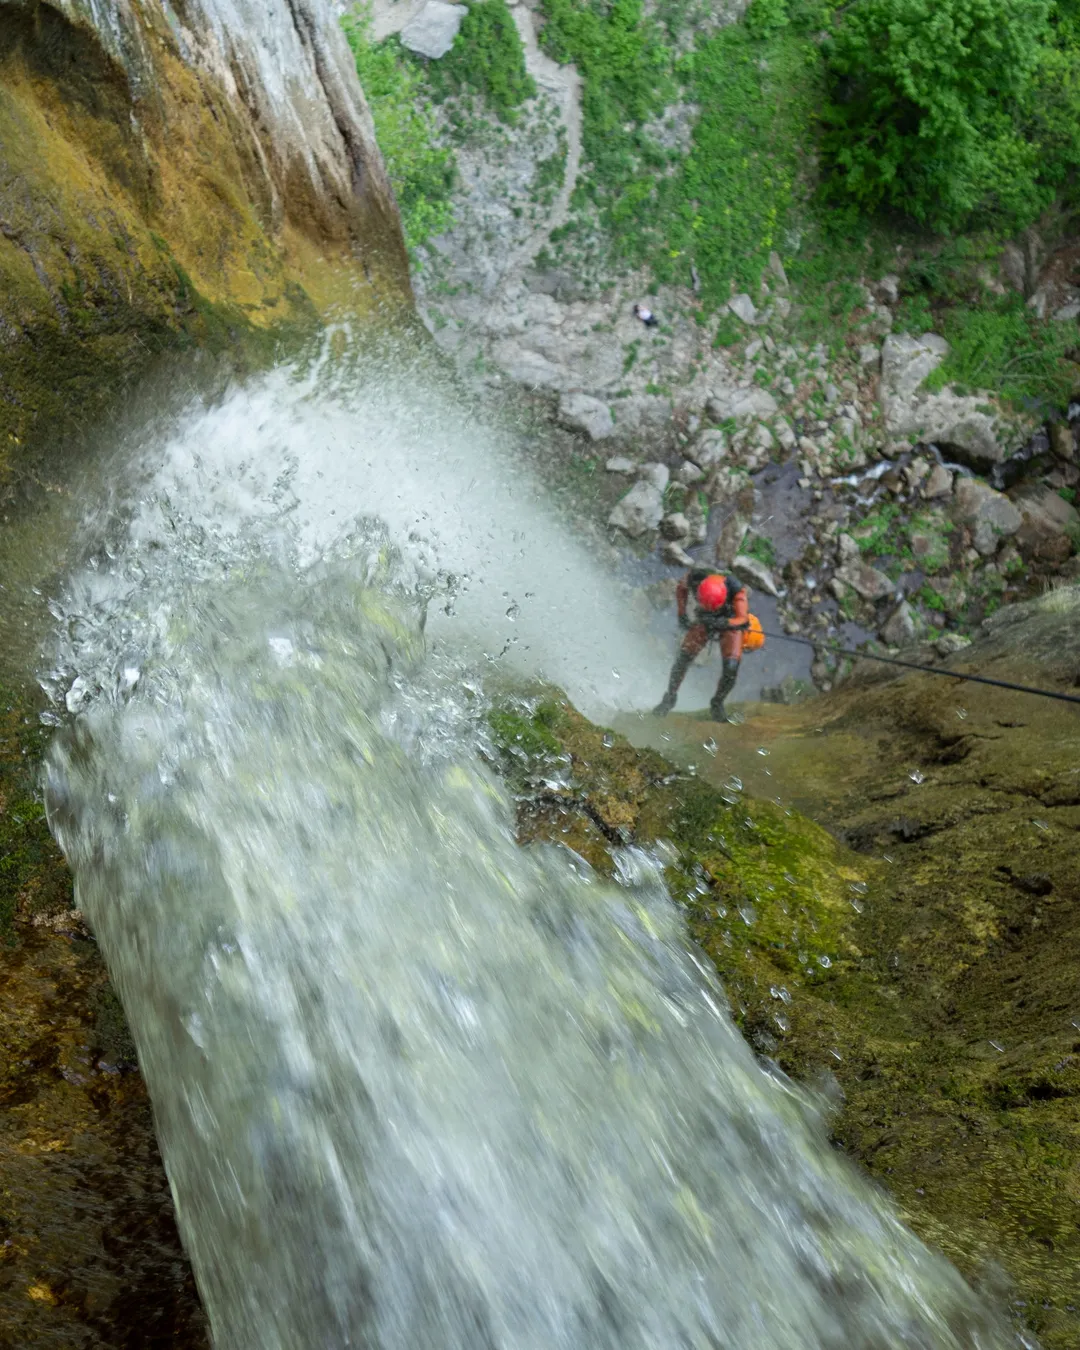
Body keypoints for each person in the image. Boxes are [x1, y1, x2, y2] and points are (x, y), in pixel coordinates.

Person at [653, 568, 749, 722]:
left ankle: (717, 702)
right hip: (704, 619)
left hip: (729, 622)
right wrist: (682, 613)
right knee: (683, 658)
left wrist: (724, 622)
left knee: (731, 667)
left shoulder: (736, 588)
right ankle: (670, 697)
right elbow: (681, 589)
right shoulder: (695, 577)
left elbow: (743, 619)